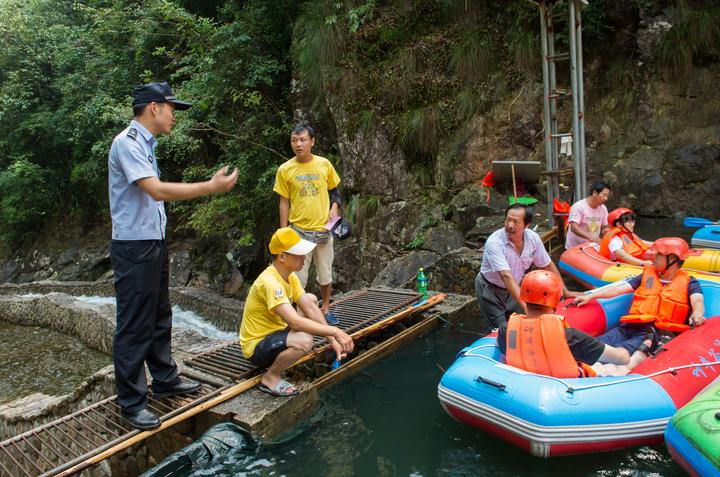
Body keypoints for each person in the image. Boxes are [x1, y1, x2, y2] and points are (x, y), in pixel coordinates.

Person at [108, 81, 238, 430]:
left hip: (152, 242)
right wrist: (210, 188)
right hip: (134, 247)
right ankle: (133, 403)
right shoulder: (128, 143)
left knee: (159, 315)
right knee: (134, 324)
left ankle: (165, 380)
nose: (174, 116)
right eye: (171, 108)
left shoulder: (145, 145)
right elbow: (156, 191)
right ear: (154, 107)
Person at [240, 227, 354, 396]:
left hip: (276, 332)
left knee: (311, 299)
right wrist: (336, 331)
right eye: (298, 253)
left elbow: (308, 307)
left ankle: (284, 354)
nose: (303, 257)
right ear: (282, 257)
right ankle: (271, 376)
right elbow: (295, 322)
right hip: (256, 346)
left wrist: (332, 340)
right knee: (305, 340)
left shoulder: (289, 276)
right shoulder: (270, 282)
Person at [574, 237, 705, 361]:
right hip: (627, 327)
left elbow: (697, 300)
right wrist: (591, 296)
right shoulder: (647, 275)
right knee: (592, 344)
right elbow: (620, 288)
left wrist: (698, 313)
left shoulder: (690, 283)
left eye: (659, 255)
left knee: (611, 354)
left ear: (673, 260)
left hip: (651, 334)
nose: (655, 257)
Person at [497, 270, 631, 377]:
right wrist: (624, 350)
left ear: (523, 298)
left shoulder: (506, 329)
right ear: (556, 300)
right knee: (620, 367)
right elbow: (622, 358)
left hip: (523, 382)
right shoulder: (571, 337)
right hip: (566, 388)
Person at [274, 125, 342, 324]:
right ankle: (298, 317)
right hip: (299, 232)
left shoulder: (324, 164)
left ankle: (326, 308)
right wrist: (283, 230)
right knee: (297, 278)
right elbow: (283, 201)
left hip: (323, 230)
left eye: (303, 140)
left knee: (325, 274)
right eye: (294, 140)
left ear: (312, 141)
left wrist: (334, 207)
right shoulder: (285, 169)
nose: (298, 144)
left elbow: (334, 192)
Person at [474, 203, 577, 331]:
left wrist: (564, 291)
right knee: (501, 328)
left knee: (516, 321)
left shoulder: (532, 239)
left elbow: (547, 265)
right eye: (507, 220)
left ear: (526, 225)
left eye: (515, 222)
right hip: (490, 288)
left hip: (514, 287)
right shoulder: (494, 242)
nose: (510, 225)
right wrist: (528, 310)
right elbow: (506, 276)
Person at [564, 181, 611, 249]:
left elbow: (605, 227)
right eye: (604, 195)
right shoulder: (578, 206)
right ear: (594, 193)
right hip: (574, 248)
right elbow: (573, 227)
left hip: (591, 246)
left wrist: (608, 234)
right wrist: (591, 238)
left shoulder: (603, 208)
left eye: (607, 196)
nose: (606, 198)